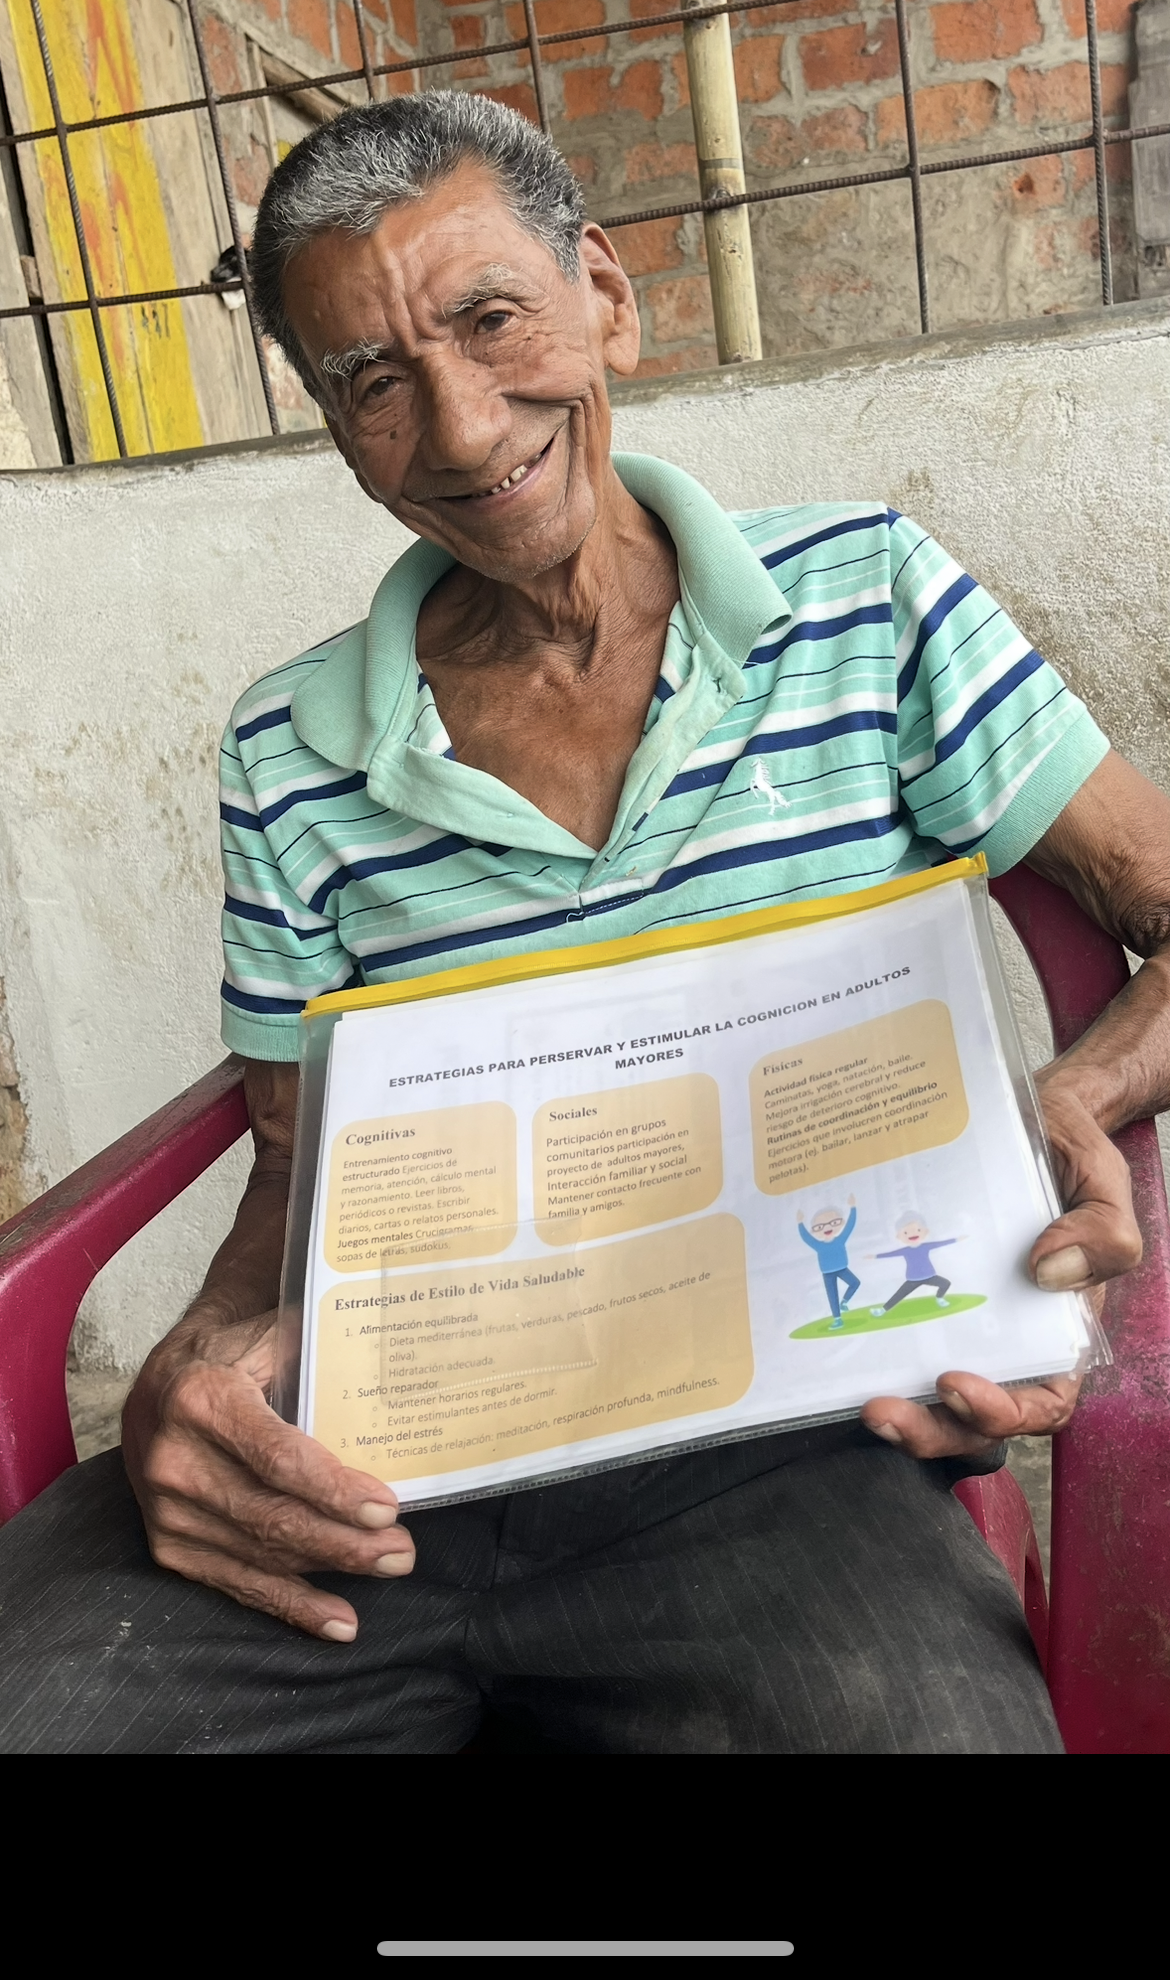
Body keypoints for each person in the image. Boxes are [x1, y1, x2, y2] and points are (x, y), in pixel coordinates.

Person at [0, 91, 1162, 1757]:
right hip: (386, 1449)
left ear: (603, 296)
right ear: (335, 430)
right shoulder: (288, 748)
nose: (463, 428)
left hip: (782, 1453)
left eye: (492, 319)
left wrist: (1063, 1100)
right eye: (373, 381)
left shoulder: (867, 599)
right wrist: (193, 1361)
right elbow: (294, 1159)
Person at [871, 1215, 962, 1313]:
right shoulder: (905, 1250)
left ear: (924, 1232)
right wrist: (875, 1256)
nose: (913, 1234)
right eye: (906, 1232)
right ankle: (882, 1310)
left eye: (917, 1230)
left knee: (946, 1283)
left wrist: (956, 1239)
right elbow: (891, 1254)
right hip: (913, 1279)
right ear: (899, 1236)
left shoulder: (925, 1246)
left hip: (929, 1276)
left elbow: (940, 1243)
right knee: (899, 1295)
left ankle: (939, 1298)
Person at [797, 1197, 861, 1326]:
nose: (827, 1228)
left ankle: (844, 1302)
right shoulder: (818, 1245)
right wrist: (800, 1223)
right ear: (814, 1230)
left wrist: (853, 1207)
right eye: (819, 1226)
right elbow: (806, 1238)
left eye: (833, 1222)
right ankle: (837, 1319)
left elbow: (850, 1226)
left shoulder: (840, 1239)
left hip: (842, 1268)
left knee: (855, 1282)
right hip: (827, 1273)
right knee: (832, 1295)